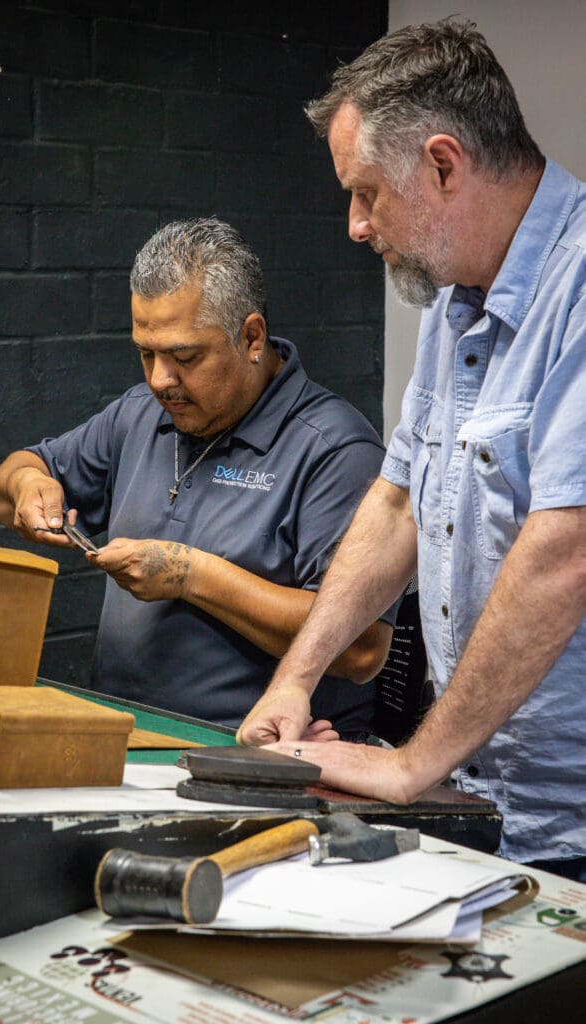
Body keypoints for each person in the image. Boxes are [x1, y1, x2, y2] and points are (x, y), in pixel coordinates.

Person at [237, 20, 586, 877]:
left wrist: (407, 764)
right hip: (482, 799)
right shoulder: (453, 306)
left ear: (441, 163)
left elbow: (565, 552)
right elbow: (396, 502)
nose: (356, 226)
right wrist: (296, 678)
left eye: (366, 194)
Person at [0, 218, 397, 734]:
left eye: (184, 357)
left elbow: (363, 648)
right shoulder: (141, 413)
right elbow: (15, 474)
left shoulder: (334, 450)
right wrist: (28, 486)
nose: (161, 379)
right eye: (146, 353)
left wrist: (192, 576)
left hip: (249, 755)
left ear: (252, 336)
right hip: (118, 737)